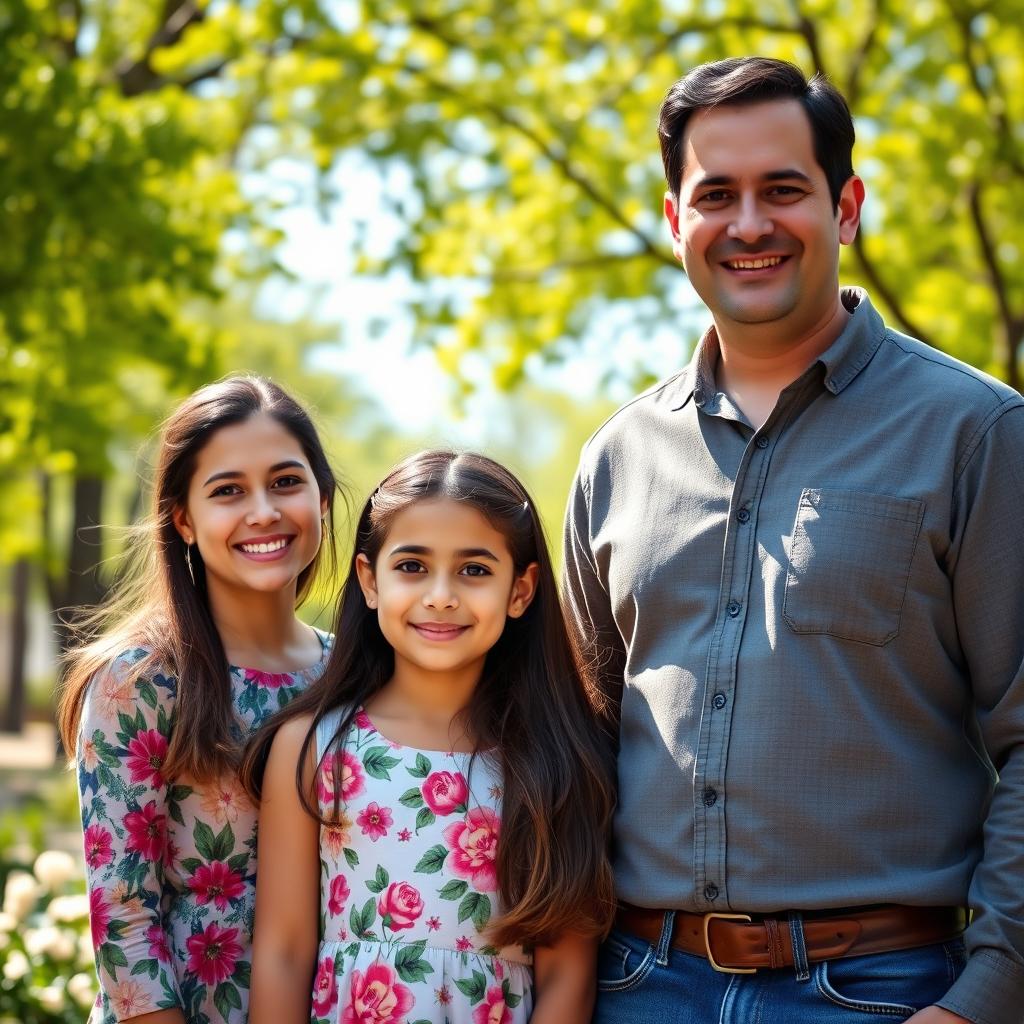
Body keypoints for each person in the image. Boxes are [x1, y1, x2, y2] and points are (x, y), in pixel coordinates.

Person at [563, 56, 1024, 1024]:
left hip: (882, 993)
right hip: (636, 986)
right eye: (714, 195)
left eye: (783, 190)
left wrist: (985, 997)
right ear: (673, 219)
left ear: (846, 206)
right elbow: (571, 745)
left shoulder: (976, 432)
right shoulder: (615, 460)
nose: (748, 225)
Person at [241, 449, 614, 1024]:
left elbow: (567, 973)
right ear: (369, 579)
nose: (441, 595)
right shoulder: (313, 746)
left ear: (521, 589)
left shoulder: (553, 757)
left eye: (475, 570)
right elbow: (283, 953)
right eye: (412, 566)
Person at [59, 375, 341, 1024]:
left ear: (322, 499)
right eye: (228, 491)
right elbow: (125, 929)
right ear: (183, 518)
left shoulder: (350, 675)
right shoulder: (139, 683)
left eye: (287, 481)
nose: (264, 511)